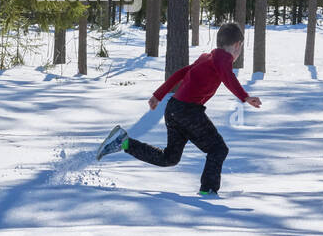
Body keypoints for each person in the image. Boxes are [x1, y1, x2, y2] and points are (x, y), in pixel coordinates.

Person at [96, 23, 261, 196]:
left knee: (170, 158)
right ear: (237, 45)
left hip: (174, 109)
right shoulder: (223, 58)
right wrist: (245, 97)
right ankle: (208, 190)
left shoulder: (208, 57)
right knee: (218, 149)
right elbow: (228, 77)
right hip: (188, 111)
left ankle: (124, 142)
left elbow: (181, 73)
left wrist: (159, 95)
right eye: (240, 48)